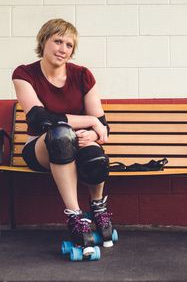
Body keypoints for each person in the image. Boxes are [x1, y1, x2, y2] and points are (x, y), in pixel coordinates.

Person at [12, 18, 113, 256]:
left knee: (95, 156)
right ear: (43, 41)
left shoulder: (82, 75)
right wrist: (89, 121)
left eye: (69, 45)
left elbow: (103, 124)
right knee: (59, 135)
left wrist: (93, 133)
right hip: (41, 148)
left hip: (77, 143)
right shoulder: (24, 73)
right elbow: (40, 119)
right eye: (57, 41)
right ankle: (75, 216)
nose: (63, 49)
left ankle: (98, 207)